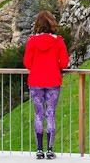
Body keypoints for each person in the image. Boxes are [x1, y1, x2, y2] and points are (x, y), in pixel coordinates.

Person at [24, 11, 70, 160]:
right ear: (52, 23)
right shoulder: (58, 41)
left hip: (36, 81)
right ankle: (50, 150)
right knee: (50, 114)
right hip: (53, 81)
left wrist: (37, 66)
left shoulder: (32, 41)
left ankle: (39, 149)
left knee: (38, 114)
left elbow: (27, 63)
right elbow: (64, 63)